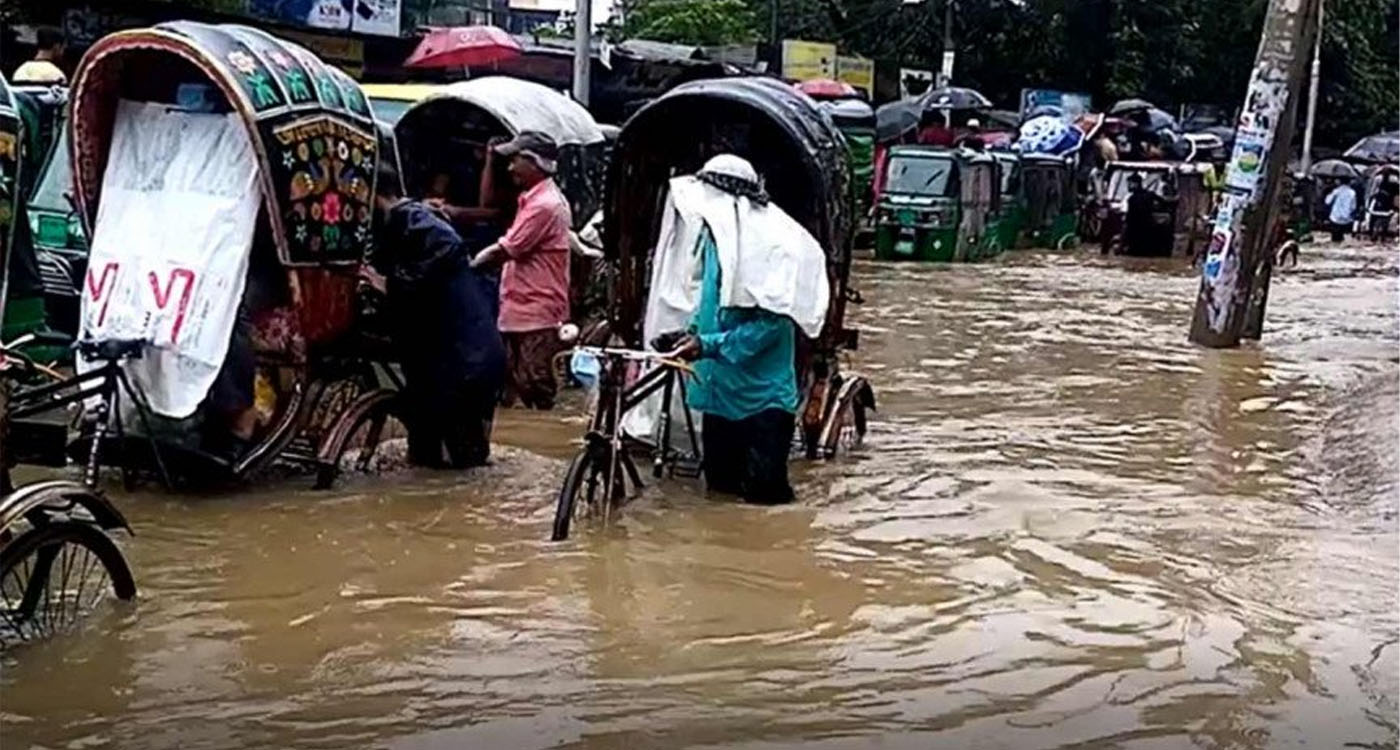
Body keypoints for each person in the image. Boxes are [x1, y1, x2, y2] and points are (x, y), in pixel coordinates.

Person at [654, 155, 830, 505]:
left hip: (761, 397)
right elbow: (708, 304)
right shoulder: (713, 242)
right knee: (720, 493)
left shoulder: (773, 248)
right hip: (719, 392)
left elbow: (771, 325)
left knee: (766, 497)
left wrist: (706, 344)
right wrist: (686, 334)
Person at [366, 159, 505, 468]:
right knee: (429, 447)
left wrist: (390, 283)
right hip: (452, 357)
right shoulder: (403, 221)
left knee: (464, 458)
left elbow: (447, 249)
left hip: (463, 362)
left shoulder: (415, 221)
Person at [470, 131, 572, 410]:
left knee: (537, 389)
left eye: (515, 160)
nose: (510, 167)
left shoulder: (544, 206)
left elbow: (505, 250)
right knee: (510, 385)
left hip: (535, 314)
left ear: (534, 162)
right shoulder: (533, 200)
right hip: (521, 309)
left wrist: (465, 268)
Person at [1123, 172, 1161, 256]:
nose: (1128, 186)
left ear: (1136, 184)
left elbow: (1129, 220)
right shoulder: (1150, 195)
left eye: (1130, 183)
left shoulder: (1132, 199)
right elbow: (1165, 203)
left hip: (1135, 235)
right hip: (1149, 234)